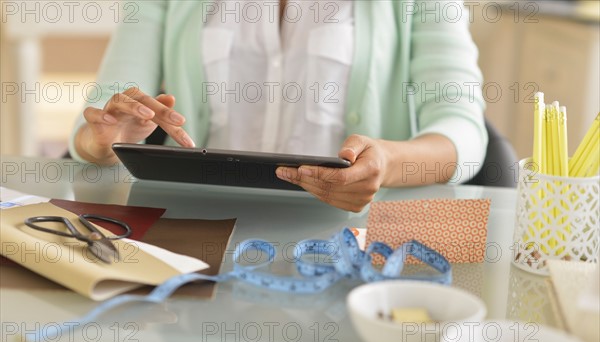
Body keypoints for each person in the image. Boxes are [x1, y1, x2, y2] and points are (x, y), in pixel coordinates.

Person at [70, 0, 487, 212]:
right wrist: (106, 137)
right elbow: (98, 119)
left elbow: (463, 131)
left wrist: (388, 162)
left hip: (351, 245)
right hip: (197, 239)